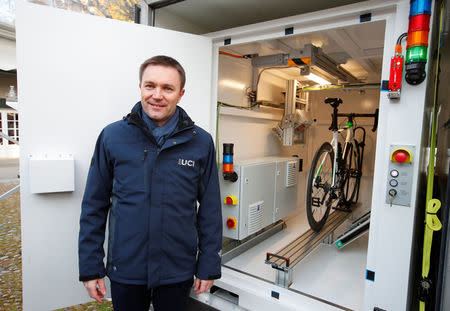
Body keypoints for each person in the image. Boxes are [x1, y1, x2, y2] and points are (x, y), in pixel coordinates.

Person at [78, 55, 222, 311]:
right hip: (127, 268)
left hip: (176, 270)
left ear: (181, 93)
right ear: (141, 87)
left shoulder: (200, 142)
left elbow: (210, 209)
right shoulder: (113, 137)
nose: (157, 95)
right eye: (150, 85)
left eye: (168, 88)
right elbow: (94, 205)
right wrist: (91, 268)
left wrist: (208, 263)